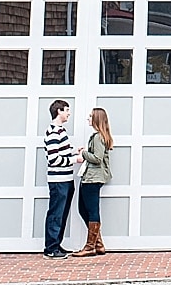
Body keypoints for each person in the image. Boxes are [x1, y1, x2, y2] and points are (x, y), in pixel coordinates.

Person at [70, 106, 114, 256]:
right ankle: (98, 244)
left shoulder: (98, 137)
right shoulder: (98, 136)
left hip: (93, 178)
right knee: (83, 209)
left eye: (90, 116)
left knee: (91, 210)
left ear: (96, 119)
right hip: (90, 177)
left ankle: (90, 247)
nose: (88, 118)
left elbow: (97, 158)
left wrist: (83, 153)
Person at [42, 99, 80, 258]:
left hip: (66, 179)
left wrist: (75, 152)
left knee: (62, 213)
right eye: (66, 110)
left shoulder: (61, 131)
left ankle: (57, 245)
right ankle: (50, 249)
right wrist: (74, 160)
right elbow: (53, 159)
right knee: (56, 213)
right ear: (59, 111)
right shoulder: (53, 132)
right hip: (58, 181)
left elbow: (62, 152)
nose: (68, 113)